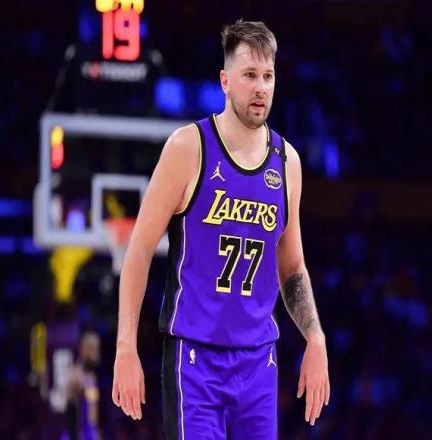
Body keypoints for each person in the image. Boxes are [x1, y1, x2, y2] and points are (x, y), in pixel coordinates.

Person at [112, 19, 330, 439]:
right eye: (250, 75)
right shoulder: (188, 148)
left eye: (268, 76)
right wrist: (126, 346)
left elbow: (292, 269)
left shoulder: (288, 163)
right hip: (195, 360)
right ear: (225, 82)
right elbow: (138, 249)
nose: (260, 87)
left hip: (258, 361)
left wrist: (315, 337)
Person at [65, 331, 102, 440]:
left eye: (96, 348)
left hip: (90, 432)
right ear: (83, 349)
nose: (95, 352)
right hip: (79, 434)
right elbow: (71, 410)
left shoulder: (91, 375)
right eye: (92, 348)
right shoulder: (76, 374)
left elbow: (93, 408)